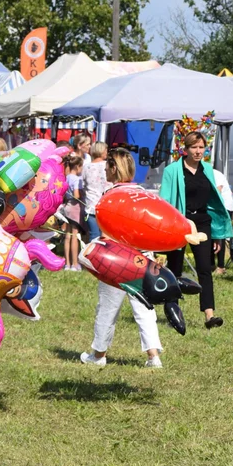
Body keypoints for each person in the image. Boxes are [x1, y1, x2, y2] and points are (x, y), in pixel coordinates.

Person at [81, 148, 164, 368]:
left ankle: (98, 355)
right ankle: (153, 356)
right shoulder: (143, 193)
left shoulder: (111, 195)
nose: (104, 171)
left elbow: (105, 231)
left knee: (107, 309)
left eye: (107, 166)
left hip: (117, 259)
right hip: (143, 257)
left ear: (114, 168)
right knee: (144, 308)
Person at [159, 131, 232, 329]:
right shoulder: (172, 171)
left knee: (204, 269)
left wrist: (218, 235)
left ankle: (210, 315)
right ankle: (173, 311)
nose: (198, 151)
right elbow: (164, 201)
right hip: (179, 223)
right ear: (186, 149)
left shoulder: (207, 169)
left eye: (201, 147)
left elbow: (214, 202)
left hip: (202, 224)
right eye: (194, 147)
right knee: (174, 269)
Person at [81, 142, 110, 243]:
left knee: (93, 235)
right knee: (107, 236)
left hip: (91, 205)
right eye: (106, 150)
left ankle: (92, 257)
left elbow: (83, 185)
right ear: (102, 151)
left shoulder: (86, 167)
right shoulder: (108, 166)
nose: (107, 152)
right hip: (106, 205)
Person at [211, 166, 233, 275]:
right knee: (210, 235)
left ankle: (221, 266)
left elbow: (217, 192)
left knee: (220, 235)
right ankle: (211, 264)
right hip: (213, 207)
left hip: (224, 207)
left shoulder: (216, 174)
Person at [63, 154, 85, 271]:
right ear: (77, 167)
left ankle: (67, 263)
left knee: (67, 235)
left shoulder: (66, 178)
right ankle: (75, 264)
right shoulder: (77, 179)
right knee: (75, 236)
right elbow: (76, 195)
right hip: (75, 207)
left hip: (67, 206)